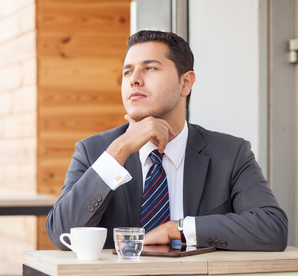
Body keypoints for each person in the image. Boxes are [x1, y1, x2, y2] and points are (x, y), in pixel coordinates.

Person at [46, 30, 288, 251]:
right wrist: (120, 150)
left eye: (150, 68)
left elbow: (272, 228)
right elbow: (61, 234)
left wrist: (180, 229)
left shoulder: (230, 153)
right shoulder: (94, 152)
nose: (134, 80)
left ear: (186, 83)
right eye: (127, 72)